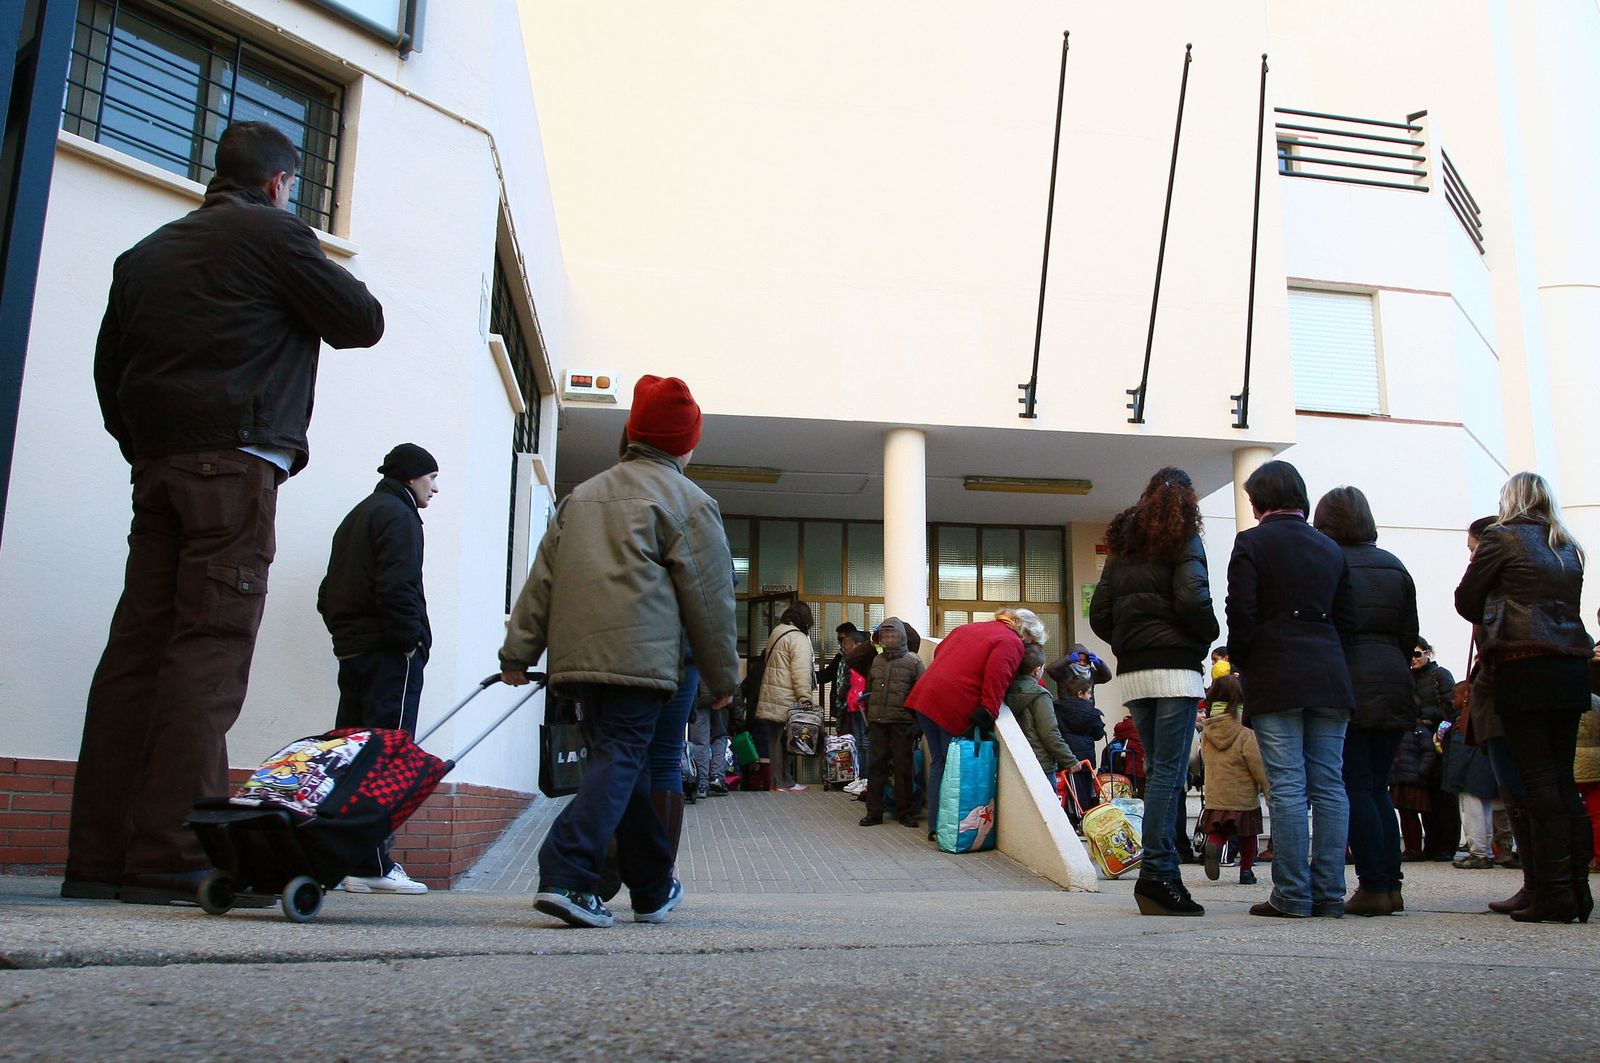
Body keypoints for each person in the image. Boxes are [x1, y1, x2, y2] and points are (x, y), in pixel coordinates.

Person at [65, 121, 385, 905]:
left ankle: (101, 859)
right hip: (234, 467)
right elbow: (362, 321)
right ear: (280, 182)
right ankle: (177, 856)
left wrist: (149, 445)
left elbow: (110, 373)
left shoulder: (144, 256)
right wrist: (291, 239)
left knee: (136, 654)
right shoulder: (274, 234)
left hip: (159, 469)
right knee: (206, 653)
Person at [501, 375, 738, 929]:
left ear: (632, 432)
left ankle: (653, 888)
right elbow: (709, 601)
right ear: (688, 443)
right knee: (622, 761)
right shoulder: (689, 503)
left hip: (579, 662)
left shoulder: (582, 496)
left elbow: (542, 584)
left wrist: (518, 653)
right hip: (642, 663)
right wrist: (723, 677)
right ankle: (567, 872)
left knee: (621, 766)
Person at [1455, 471, 1593, 923]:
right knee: (1561, 781)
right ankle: (1574, 890)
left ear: (1510, 500)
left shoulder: (1501, 538)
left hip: (1523, 664)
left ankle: (1553, 895)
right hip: (1571, 663)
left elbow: (1466, 599)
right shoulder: (1566, 544)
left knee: (1536, 782)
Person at [1225, 460, 1355, 919]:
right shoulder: (1330, 547)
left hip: (1276, 671)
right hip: (1330, 673)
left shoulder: (1252, 543)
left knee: (1287, 786)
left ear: (1258, 501)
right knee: (1330, 786)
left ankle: (1292, 894)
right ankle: (1330, 894)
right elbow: (1347, 617)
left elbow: (1241, 610)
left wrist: (1240, 660)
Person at [1089, 466, 1219, 917]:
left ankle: (1160, 875)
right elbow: (1193, 600)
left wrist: (1128, 643)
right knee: (1168, 774)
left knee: (1156, 775)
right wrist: (1202, 640)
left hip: (1134, 674)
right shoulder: (1184, 539)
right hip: (1176, 672)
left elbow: (1099, 613)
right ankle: (1159, 876)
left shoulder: (1123, 547)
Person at [317, 443, 440, 895]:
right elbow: (398, 583)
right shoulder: (399, 516)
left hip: (354, 652)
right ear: (412, 477)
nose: (435, 487)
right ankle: (373, 862)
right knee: (388, 754)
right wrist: (409, 641)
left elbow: (327, 590)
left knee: (351, 753)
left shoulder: (358, 515)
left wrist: (344, 636)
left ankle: (344, 858)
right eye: (431, 478)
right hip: (390, 654)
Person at [1311, 485, 1417, 917]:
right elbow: (1409, 632)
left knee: (1353, 786)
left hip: (1348, 680)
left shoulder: (1330, 563)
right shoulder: (1395, 565)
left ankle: (1373, 884)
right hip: (1393, 680)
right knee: (1378, 787)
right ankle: (1389, 882)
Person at [906, 607, 1047, 840]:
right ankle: (950, 826)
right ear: (1026, 634)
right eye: (1031, 642)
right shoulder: (1010, 641)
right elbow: (997, 675)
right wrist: (988, 711)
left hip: (925, 698)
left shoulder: (970, 627)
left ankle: (936, 825)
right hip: (952, 705)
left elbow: (940, 650)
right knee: (954, 768)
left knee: (940, 763)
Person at [1198, 675, 1269, 886]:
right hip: (1243, 795)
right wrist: (1267, 787)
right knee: (1248, 835)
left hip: (1216, 794)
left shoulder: (1207, 731)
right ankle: (1246, 871)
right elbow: (1256, 763)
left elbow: (1198, 757)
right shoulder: (1246, 731)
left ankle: (1213, 845)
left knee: (1219, 830)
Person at [859, 617, 925, 828]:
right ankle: (874, 812)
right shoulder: (878, 660)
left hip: (902, 723)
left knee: (903, 769)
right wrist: (869, 717)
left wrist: (918, 725)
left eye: (893, 634)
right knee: (875, 767)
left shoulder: (913, 661)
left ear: (902, 636)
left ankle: (905, 812)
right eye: (885, 635)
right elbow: (870, 692)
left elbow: (922, 694)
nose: (889, 639)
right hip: (878, 722)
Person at [752, 602, 818, 792]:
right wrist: (805, 698)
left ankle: (777, 782)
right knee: (788, 742)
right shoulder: (798, 638)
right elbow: (801, 671)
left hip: (771, 695)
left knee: (775, 742)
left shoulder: (777, 632)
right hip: (786, 697)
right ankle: (784, 782)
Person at [1411, 636, 1461, 861]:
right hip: (1418, 744)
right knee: (1426, 796)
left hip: (1440, 742)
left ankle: (1446, 846)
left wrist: (1431, 720)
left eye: (1417, 654)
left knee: (1444, 795)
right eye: (1410, 655)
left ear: (1427, 653)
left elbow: (1451, 709)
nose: (1414, 659)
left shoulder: (1439, 675)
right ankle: (1431, 844)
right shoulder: (1408, 679)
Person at [1008, 643, 1082, 788]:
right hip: (1040, 764)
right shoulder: (1040, 695)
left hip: (1014, 763)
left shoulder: (1006, 692)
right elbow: (1049, 733)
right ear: (1037, 670)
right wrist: (1070, 760)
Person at [1055, 677, 1106, 822]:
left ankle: (1072, 819)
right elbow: (1098, 734)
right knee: (1085, 791)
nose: (1090, 697)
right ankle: (1085, 820)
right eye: (1088, 693)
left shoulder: (1057, 708)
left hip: (1065, 756)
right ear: (1080, 694)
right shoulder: (1092, 712)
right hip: (1085, 759)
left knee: (1068, 791)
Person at [687, 680, 731, 800]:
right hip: (719, 693)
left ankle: (702, 784)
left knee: (699, 742)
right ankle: (717, 777)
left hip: (698, 696)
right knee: (720, 737)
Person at [1045, 643, 1111, 699]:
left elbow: (1107, 677)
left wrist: (1099, 664)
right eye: (1078, 660)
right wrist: (1068, 659)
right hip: (1068, 710)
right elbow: (1050, 669)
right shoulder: (1064, 671)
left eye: (1084, 661)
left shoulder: (1090, 672)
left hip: (1087, 710)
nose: (1082, 663)